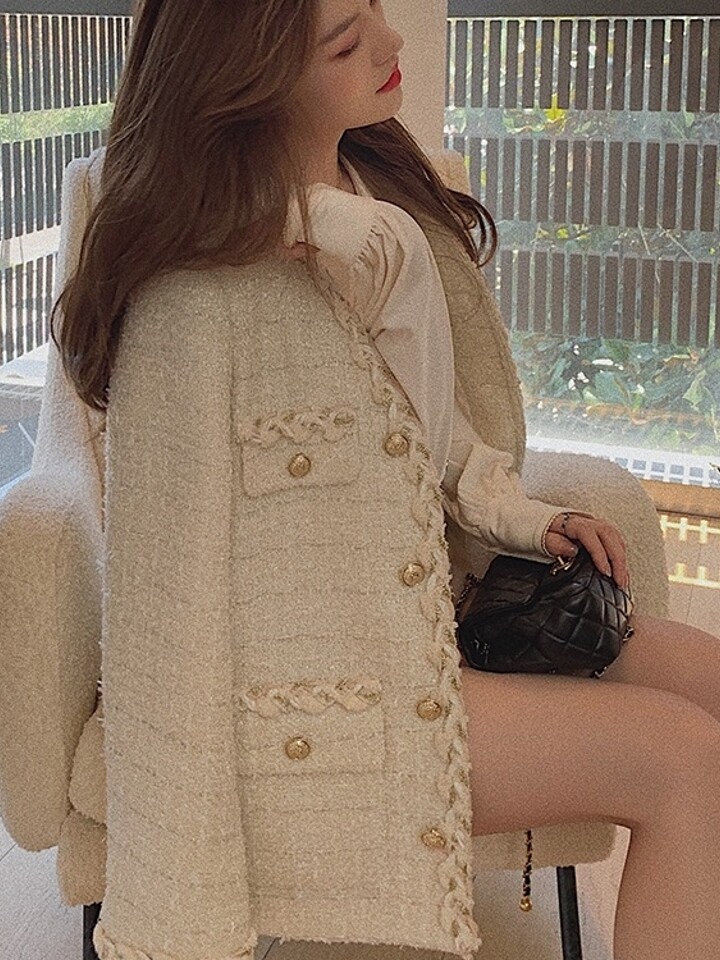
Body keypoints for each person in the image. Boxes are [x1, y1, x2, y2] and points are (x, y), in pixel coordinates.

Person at [50, 2, 720, 959]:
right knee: (685, 762)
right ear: (249, 80)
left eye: (372, 9)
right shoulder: (189, 300)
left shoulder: (385, 211)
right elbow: (164, 617)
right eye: (346, 40)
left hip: (438, 618)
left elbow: (430, 430)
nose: (391, 40)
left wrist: (524, 518)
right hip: (315, 706)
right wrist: (178, 910)